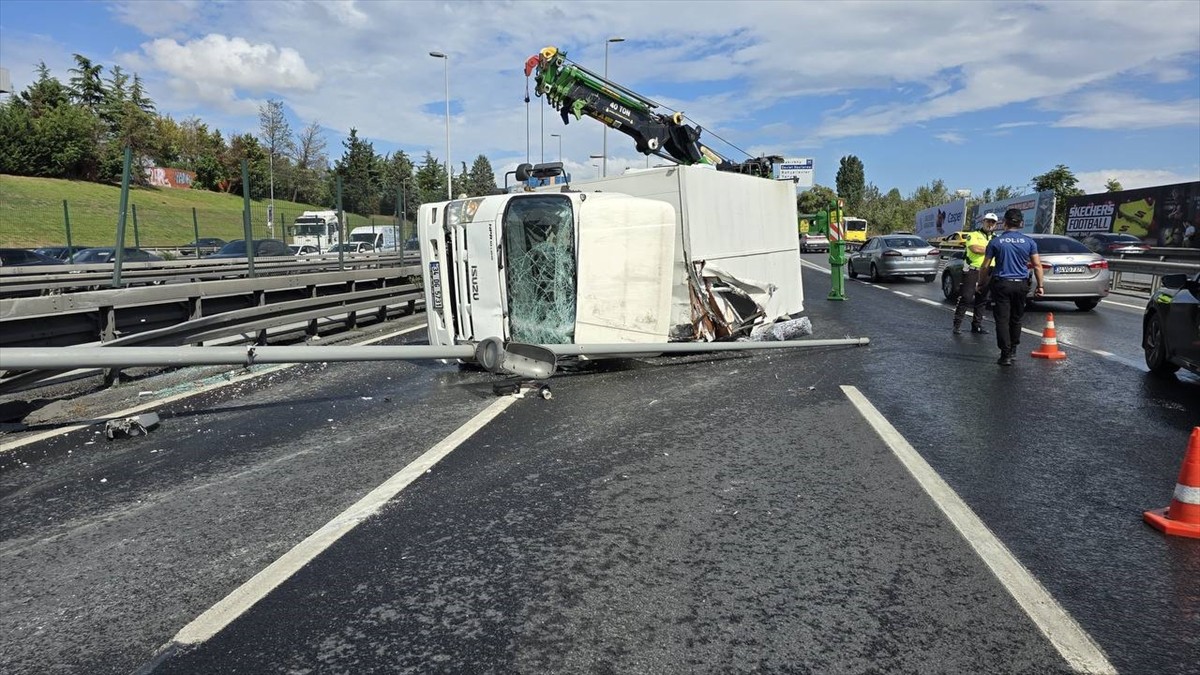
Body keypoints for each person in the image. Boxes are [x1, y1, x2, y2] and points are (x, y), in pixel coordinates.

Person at [977, 208, 1045, 366]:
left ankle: (1005, 354)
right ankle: (1013, 349)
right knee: (1016, 318)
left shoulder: (996, 242)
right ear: (1021, 223)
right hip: (1021, 284)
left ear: (1004, 223)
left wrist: (981, 283)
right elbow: (1037, 265)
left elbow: (985, 266)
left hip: (1002, 284)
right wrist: (1040, 286)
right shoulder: (1029, 242)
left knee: (1002, 319)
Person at [952, 212, 999, 334]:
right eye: (988, 221)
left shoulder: (996, 238)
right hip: (973, 270)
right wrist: (992, 249)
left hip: (988, 271)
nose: (990, 224)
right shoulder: (973, 235)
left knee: (982, 299)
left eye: (992, 222)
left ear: (996, 225)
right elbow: (975, 249)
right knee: (966, 297)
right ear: (983, 222)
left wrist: (989, 249)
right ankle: (957, 325)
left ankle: (976, 325)